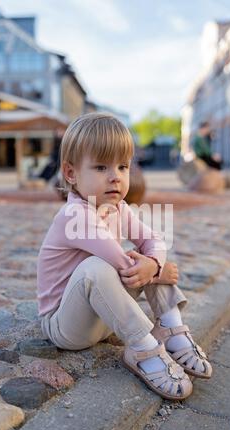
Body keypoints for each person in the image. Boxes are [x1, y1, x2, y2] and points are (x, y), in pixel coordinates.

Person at [37, 113, 212, 401]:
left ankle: (171, 328)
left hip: (104, 317)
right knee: (96, 267)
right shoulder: (74, 215)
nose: (115, 176)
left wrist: (154, 264)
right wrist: (157, 270)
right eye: (101, 167)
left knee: (148, 257)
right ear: (71, 174)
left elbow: (154, 240)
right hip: (66, 326)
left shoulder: (119, 209)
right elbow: (118, 261)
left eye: (123, 166)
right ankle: (142, 348)